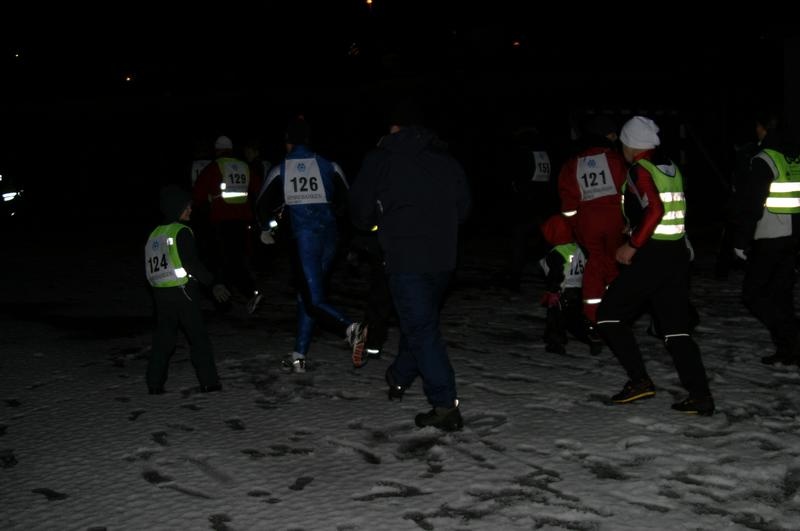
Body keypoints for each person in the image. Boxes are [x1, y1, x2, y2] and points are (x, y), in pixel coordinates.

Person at [349, 101, 471, 432]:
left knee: (420, 329)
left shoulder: (381, 159)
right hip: (443, 260)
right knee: (420, 323)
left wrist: (378, 224)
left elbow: (359, 212)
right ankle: (399, 376)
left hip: (405, 259)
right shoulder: (446, 160)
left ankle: (444, 406)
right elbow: (463, 209)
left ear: (393, 127)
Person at [596, 116, 714, 416]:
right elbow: (669, 209)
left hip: (651, 256)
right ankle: (700, 396)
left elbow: (656, 210)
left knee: (608, 316)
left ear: (631, 144)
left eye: (624, 143)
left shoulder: (640, 170)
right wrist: (634, 226)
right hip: (675, 255)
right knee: (676, 331)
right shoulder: (670, 167)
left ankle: (639, 381)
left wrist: (632, 244)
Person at [258, 117, 367, 373]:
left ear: (288, 142)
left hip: (303, 238)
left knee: (313, 298)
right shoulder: (330, 165)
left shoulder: (281, 168)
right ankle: (299, 356)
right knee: (307, 295)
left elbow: (261, 204)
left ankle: (350, 328)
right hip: (329, 238)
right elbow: (349, 201)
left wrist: (267, 228)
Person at [144, 185, 231, 394]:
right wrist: (213, 283)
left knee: (164, 340)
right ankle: (209, 382)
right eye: (187, 206)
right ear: (176, 208)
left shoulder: (154, 234)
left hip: (161, 294)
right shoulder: (181, 232)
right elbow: (191, 263)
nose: (190, 209)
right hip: (183, 293)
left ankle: (154, 384)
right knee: (198, 338)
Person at [728, 112, 800, 365]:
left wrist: (741, 241)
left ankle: (792, 336)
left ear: (762, 129)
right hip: (791, 236)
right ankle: (788, 349)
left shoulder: (765, 158)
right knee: (781, 295)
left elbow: (752, 205)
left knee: (753, 294)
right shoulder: (793, 157)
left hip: (770, 235)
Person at [557, 115, 627, 343]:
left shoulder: (573, 162)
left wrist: (573, 225)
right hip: (615, 221)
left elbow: (568, 201)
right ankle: (615, 313)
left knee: (594, 266)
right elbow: (627, 190)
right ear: (606, 136)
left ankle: (593, 319)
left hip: (588, 224)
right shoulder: (616, 159)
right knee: (614, 265)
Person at [191, 135, 263, 314]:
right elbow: (259, 188)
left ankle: (225, 300)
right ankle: (249, 292)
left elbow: (198, 194)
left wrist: (205, 204)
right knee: (237, 259)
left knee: (220, 260)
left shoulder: (214, 167)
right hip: (242, 222)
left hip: (221, 222)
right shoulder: (244, 166)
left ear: (217, 151)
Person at [499, 125, 558, 292]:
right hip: (544, 205)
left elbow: (515, 179)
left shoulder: (521, 151)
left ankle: (514, 279)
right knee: (547, 244)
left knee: (519, 242)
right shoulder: (545, 151)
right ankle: (552, 280)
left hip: (526, 205)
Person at [538, 213, 595, 355]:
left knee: (555, 318)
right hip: (578, 290)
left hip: (562, 291)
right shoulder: (578, 248)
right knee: (574, 319)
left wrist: (552, 290)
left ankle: (555, 343)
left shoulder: (556, 253)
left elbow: (556, 273)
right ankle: (590, 338)